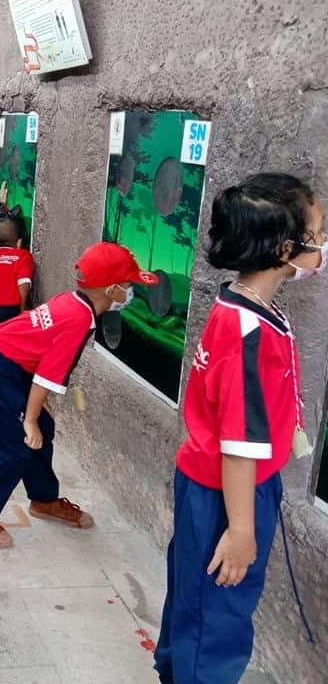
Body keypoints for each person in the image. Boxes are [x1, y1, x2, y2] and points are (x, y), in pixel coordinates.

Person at [154, 174, 325, 684]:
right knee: (218, 615)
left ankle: (176, 671)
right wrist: (242, 530)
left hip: (224, 485)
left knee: (194, 597)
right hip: (227, 493)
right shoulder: (248, 330)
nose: (323, 243)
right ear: (285, 249)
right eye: (319, 232)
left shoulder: (243, 302)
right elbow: (239, 447)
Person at [0, 242, 159, 548]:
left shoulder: (74, 301)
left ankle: (44, 499)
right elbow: (46, 375)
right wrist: (29, 419)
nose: (130, 292)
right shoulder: (80, 320)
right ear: (112, 290)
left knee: (44, 430)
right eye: (128, 286)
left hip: (9, 364)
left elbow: (40, 351)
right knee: (15, 447)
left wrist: (38, 410)